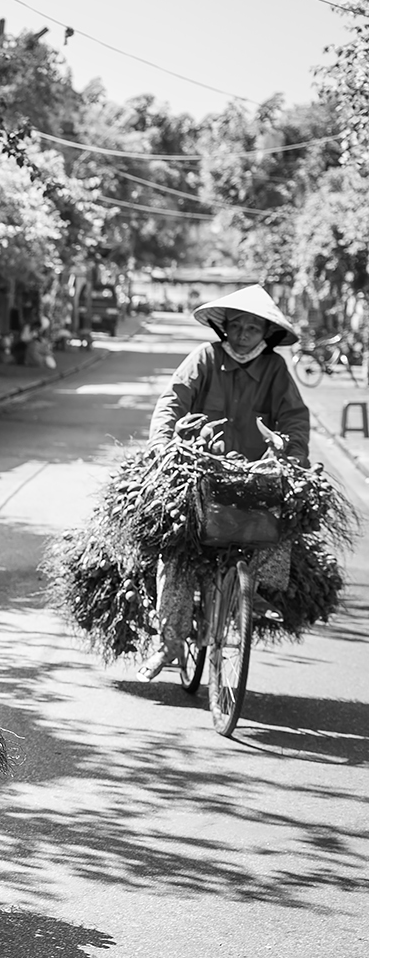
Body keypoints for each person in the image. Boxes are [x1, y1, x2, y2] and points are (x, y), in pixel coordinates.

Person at [136, 284, 311, 680]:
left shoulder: (275, 369)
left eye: (253, 329)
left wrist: (294, 454)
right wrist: (163, 444)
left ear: (266, 334)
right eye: (237, 326)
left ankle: (255, 594)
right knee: (176, 549)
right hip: (200, 471)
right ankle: (169, 641)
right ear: (225, 327)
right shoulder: (205, 358)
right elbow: (172, 401)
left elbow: (295, 417)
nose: (244, 334)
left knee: (279, 526)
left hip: (252, 475)